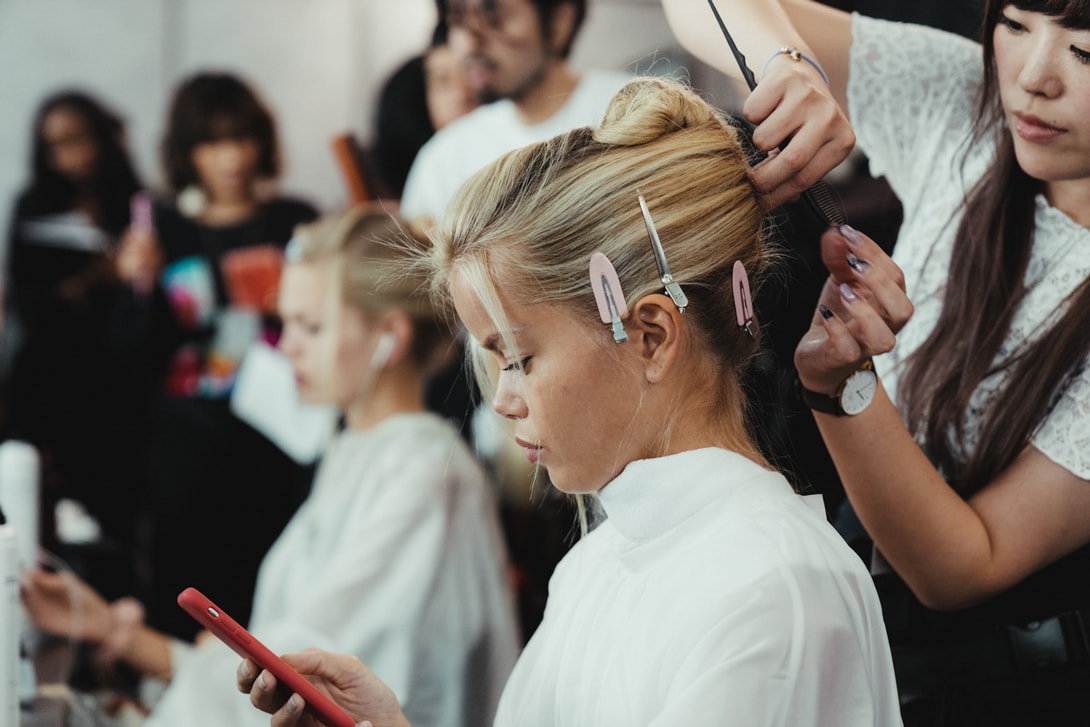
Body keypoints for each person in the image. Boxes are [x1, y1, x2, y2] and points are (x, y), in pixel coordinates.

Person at [234, 76, 902, 727]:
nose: (502, 399)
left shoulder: (769, 593)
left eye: (521, 359)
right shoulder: (593, 566)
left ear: (649, 335)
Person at [660, 0, 1090, 723]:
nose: (1033, 79)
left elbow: (963, 564)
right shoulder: (966, 100)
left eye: (1086, 52)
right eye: (1015, 25)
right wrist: (787, 65)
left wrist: (845, 386)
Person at [23, 204, 521, 727]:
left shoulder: (424, 476)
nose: (286, 347)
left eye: (309, 326)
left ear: (389, 338)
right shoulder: (357, 450)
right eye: (285, 323)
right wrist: (108, 628)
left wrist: (124, 638)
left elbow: (312, 670)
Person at [110, 71, 319, 640]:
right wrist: (141, 283)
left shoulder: (293, 220)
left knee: (271, 591)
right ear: (188, 150)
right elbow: (131, 353)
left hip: (275, 438)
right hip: (186, 446)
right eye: (211, 142)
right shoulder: (164, 226)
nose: (231, 158)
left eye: (242, 138)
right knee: (186, 590)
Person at [3, 90, 148, 597]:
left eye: (79, 138)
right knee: (45, 516)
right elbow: (28, 301)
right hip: (51, 379)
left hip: (119, 383)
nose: (72, 154)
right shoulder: (33, 206)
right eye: (56, 145)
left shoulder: (135, 201)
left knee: (116, 517)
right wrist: (99, 275)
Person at [399, 0, 633, 227]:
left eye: (493, 17)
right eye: (457, 19)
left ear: (561, 21)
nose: (469, 44)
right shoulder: (444, 158)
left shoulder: (634, 109)